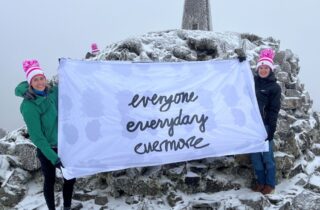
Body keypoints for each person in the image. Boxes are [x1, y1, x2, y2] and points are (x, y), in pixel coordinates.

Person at [15, 60, 76, 210]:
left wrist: (66, 67)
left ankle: (67, 207)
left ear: (45, 78)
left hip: (64, 145)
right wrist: (53, 157)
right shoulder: (29, 106)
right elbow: (36, 136)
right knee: (50, 180)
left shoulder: (52, 92)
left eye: (41, 78)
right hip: (47, 148)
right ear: (30, 83)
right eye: (35, 80)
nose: (40, 82)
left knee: (71, 177)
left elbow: (71, 85)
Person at [250, 49, 281, 195]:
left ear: (270, 69)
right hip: (251, 126)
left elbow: (274, 110)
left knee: (267, 157)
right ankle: (261, 182)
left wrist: (271, 130)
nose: (263, 70)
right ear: (258, 69)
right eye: (261, 67)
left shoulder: (274, 87)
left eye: (266, 68)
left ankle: (270, 184)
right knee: (256, 158)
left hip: (265, 126)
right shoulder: (252, 83)